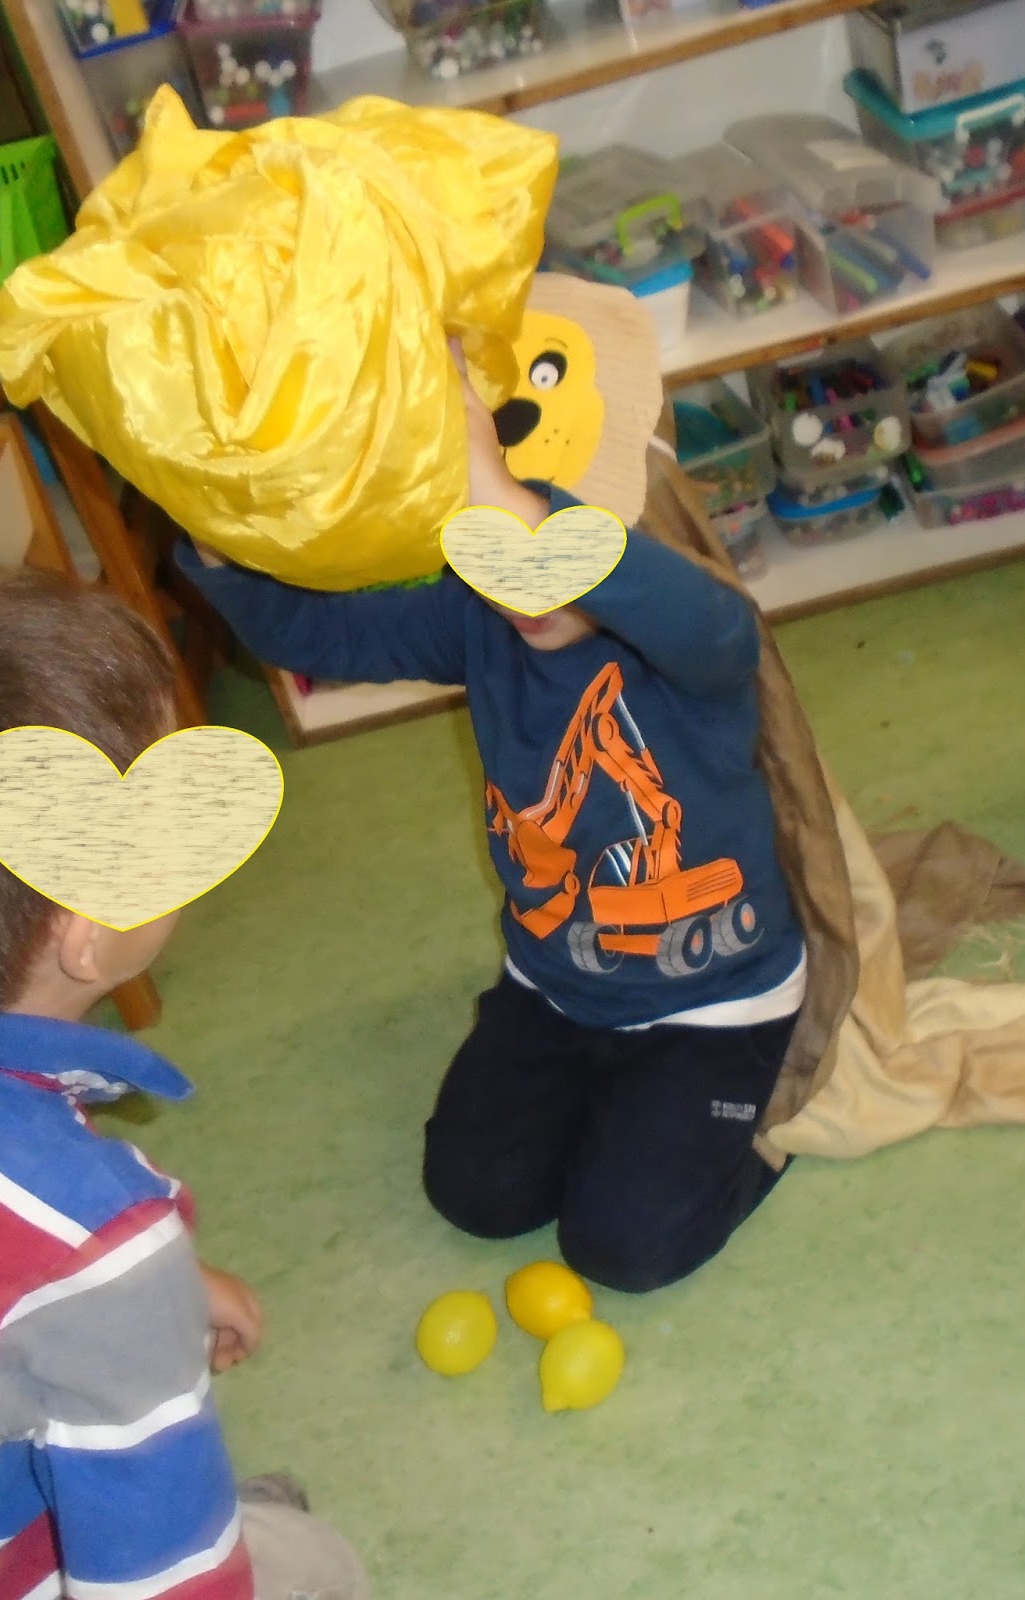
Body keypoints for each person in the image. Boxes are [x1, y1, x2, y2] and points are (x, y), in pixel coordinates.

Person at [176, 344, 807, 1295]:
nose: (522, 586)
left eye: (538, 541)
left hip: (712, 1003)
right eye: (488, 546)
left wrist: (506, 491)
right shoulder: (478, 616)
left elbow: (700, 620)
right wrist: (216, 525)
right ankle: (622, 1107)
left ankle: (748, 1135)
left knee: (623, 1250)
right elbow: (308, 633)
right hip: (554, 985)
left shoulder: (696, 635)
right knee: (476, 1196)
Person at [0, 575, 367, 1600]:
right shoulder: (95, 1246)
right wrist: (122, 1296)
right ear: (86, 933)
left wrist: (136, 1300)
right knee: (317, 1568)